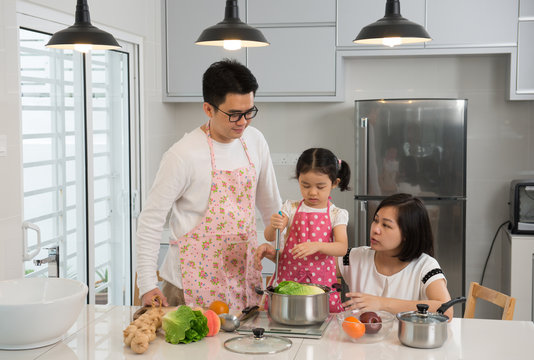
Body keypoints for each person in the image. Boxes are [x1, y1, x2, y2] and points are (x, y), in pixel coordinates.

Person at [136, 59, 282, 312]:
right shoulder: (182, 155)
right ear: (208, 108)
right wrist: (147, 283)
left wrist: (283, 256)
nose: (243, 122)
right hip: (188, 287)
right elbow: (151, 219)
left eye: (249, 112)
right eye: (234, 114)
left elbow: (273, 209)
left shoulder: (255, 141)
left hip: (243, 280)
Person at [254, 148, 350, 312]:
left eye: (320, 186)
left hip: (320, 289)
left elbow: (342, 248)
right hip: (288, 285)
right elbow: (269, 235)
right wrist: (274, 224)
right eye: (305, 185)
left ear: (334, 183)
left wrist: (317, 246)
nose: (312, 192)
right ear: (298, 179)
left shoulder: (336, 214)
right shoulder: (289, 208)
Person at [339, 193, 453, 318]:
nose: (375, 229)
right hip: (360, 336)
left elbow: (446, 310)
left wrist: (382, 303)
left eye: (386, 225)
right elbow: (317, 269)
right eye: (376, 220)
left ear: (407, 233)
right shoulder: (355, 257)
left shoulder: (424, 266)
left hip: (406, 337)